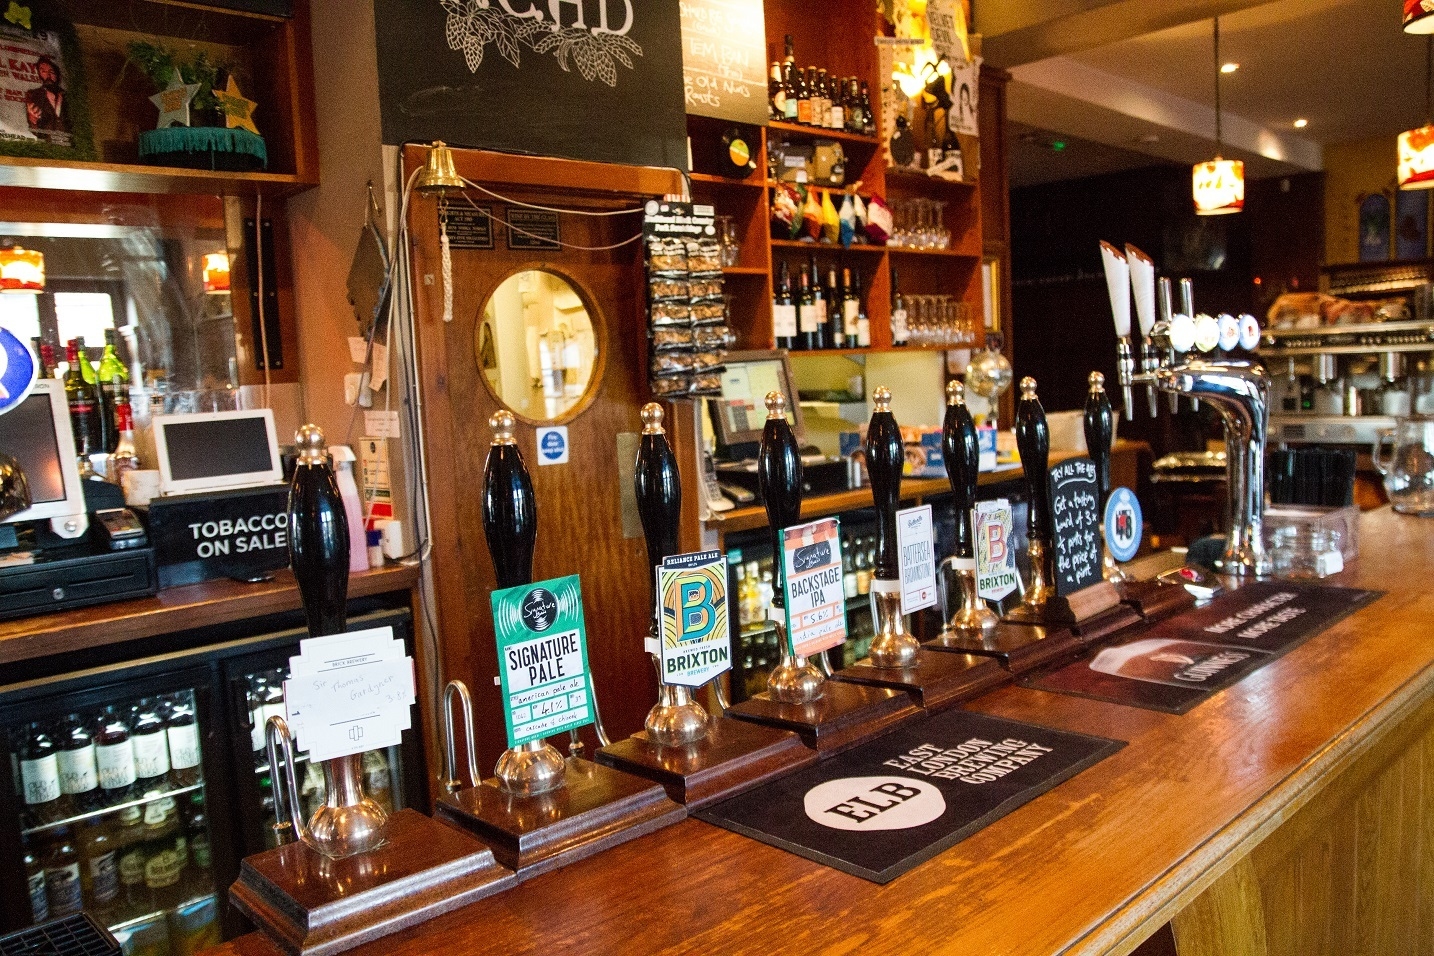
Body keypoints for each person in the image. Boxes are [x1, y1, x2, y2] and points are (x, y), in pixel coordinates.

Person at [24, 56, 70, 137]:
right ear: (39, 74)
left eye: (51, 72)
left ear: (57, 75)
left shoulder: (68, 96)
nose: (48, 75)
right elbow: (35, 131)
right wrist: (33, 121)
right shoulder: (33, 95)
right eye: (43, 71)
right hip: (48, 145)